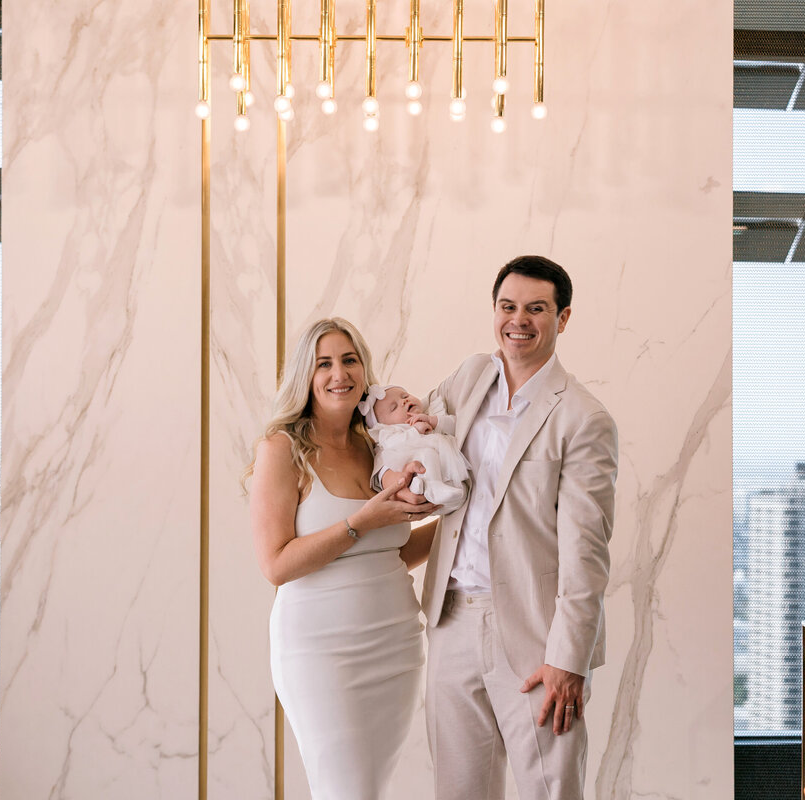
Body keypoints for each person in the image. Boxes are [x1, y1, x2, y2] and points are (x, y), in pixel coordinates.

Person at [390, 255, 619, 800]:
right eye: (508, 306)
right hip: (451, 619)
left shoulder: (584, 417)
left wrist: (568, 659)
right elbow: (414, 435)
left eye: (536, 309)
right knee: (458, 790)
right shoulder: (468, 378)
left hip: (537, 635)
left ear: (562, 318)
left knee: (550, 790)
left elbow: (587, 552)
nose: (519, 320)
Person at [245, 317, 439, 800]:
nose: (339, 374)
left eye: (349, 360)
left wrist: (464, 521)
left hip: (396, 645)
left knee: (370, 789)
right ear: (305, 376)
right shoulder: (282, 449)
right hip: (321, 652)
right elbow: (275, 564)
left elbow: (391, 553)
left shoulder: (379, 445)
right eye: (324, 363)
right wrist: (361, 522)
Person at [359, 383, 470, 513]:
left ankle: (449, 494)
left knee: (462, 493)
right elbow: (393, 444)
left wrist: (433, 421)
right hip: (422, 474)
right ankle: (429, 487)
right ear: (384, 425)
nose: (404, 401)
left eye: (405, 396)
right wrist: (415, 431)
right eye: (394, 408)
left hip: (449, 472)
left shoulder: (430, 412)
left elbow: (459, 426)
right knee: (428, 454)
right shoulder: (391, 434)